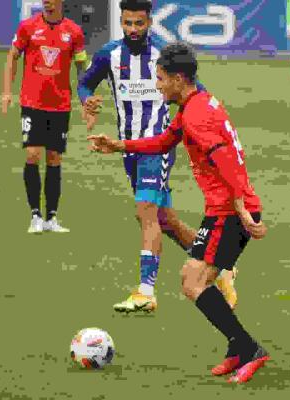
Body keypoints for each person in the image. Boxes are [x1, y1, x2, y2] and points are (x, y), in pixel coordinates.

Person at [87, 42, 270, 383]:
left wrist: (243, 210)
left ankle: (249, 349)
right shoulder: (195, 106)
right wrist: (119, 145)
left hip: (230, 211)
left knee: (193, 281)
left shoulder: (196, 114)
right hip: (227, 208)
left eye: (160, 79)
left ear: (178, 78)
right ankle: (237, 347)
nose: (157, 85)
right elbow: (162, 142)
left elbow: (225, 160)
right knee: (197, 280)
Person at [78, 0, 237, 313]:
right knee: (164, 220)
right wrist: (88, 100)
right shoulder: (109, 54)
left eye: (139, 23)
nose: (133, 30)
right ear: (120, 22)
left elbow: (195, 93)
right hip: (129, 150)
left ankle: (146, 292)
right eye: (127, 23)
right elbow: (85, 83)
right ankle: (223, 268)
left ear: (150, 22)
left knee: (146, 211)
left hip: (158, 148)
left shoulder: (165, 55)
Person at [1, 0, 87, 233]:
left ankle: (51, 217)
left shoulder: (74, 32)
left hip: (60, 105)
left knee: (54, 158)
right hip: (32, 103)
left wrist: (85, 99)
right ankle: (35, 215)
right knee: (32, 154)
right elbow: (12, 56)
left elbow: (81, 68)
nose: (47, 1)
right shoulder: (27, 27)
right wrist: (7, 92)